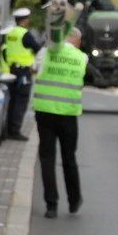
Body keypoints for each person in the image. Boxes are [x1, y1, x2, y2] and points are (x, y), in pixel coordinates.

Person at [32, 27, 85, 218]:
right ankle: (74, 200)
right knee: (69, 158)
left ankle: (51, 205)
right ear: (73, 38)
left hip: (45, 112)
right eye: (79, 39)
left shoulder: (45, 52)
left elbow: (34, 69)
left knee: (47, 158)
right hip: (68, 114)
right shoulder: (81, 57)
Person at [0, 7, 43, 141]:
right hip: (23, 72)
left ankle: (7, 129)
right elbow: (38, 50)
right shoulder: (25, 34)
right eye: (28, 19)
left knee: (11, 101)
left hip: (11, 71)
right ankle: (15, 130)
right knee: (21, 101)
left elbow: (4, 51)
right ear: (25, 20)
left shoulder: (9, 33)